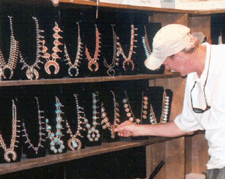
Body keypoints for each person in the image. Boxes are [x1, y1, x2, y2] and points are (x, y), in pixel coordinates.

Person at [114, 24, 225, 179]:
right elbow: (184, 126)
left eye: (165, 62)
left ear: (179, 56)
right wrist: (138, 129)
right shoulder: (192, 76)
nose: (166, 68)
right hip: (217, 165)